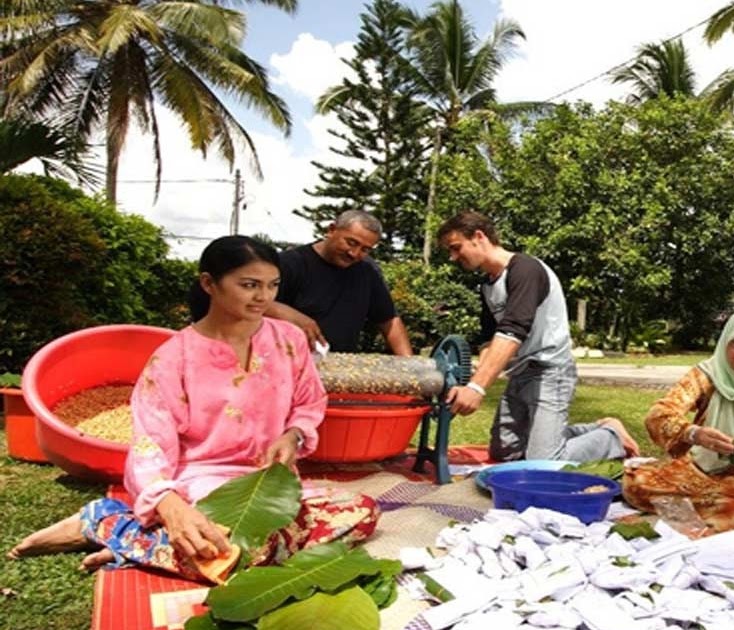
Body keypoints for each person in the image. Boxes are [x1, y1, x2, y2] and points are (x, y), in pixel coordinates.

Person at [8, 236, 379, 582]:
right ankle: (106, 524)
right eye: (249, 285)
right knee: (248, 550)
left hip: (269, 484)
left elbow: (309, 401)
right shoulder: (175, 358)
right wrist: (170, 506)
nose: (263, 297)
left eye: (272, 285)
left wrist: (293, 434)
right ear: (208, 284)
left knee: (360, 512)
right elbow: (150, 446)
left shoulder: (289, 341)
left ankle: (135, 541)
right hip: (201, 483)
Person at [436, 211, 638, 462]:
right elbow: (489, 339)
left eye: (456, 248)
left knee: (543, 462)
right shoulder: (488, 285)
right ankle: (592, 429)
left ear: (479, 236)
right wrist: (474, 380)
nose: (453, 257)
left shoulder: (525, 269)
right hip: (519, 374)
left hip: (550, 372)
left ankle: (610, 437)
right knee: (505, 453)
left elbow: (513, 329)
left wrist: (477, 388)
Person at [622, 309, 734, 533]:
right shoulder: (709, 373)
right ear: (725, 341)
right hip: (697, 469)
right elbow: (659, 414)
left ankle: (702, 516)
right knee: (636, 483)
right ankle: (705, 517)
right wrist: (694, 434)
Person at [267, 210, 413, 355]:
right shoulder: (289, 264)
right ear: (331, 230)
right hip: (286, 361)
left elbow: (389, 320)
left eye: (365, 249)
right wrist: (290, 315)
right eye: (351, 243)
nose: (354, 253)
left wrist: (411, 367)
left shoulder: (368, 270)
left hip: (342, 366)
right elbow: (252, 304)